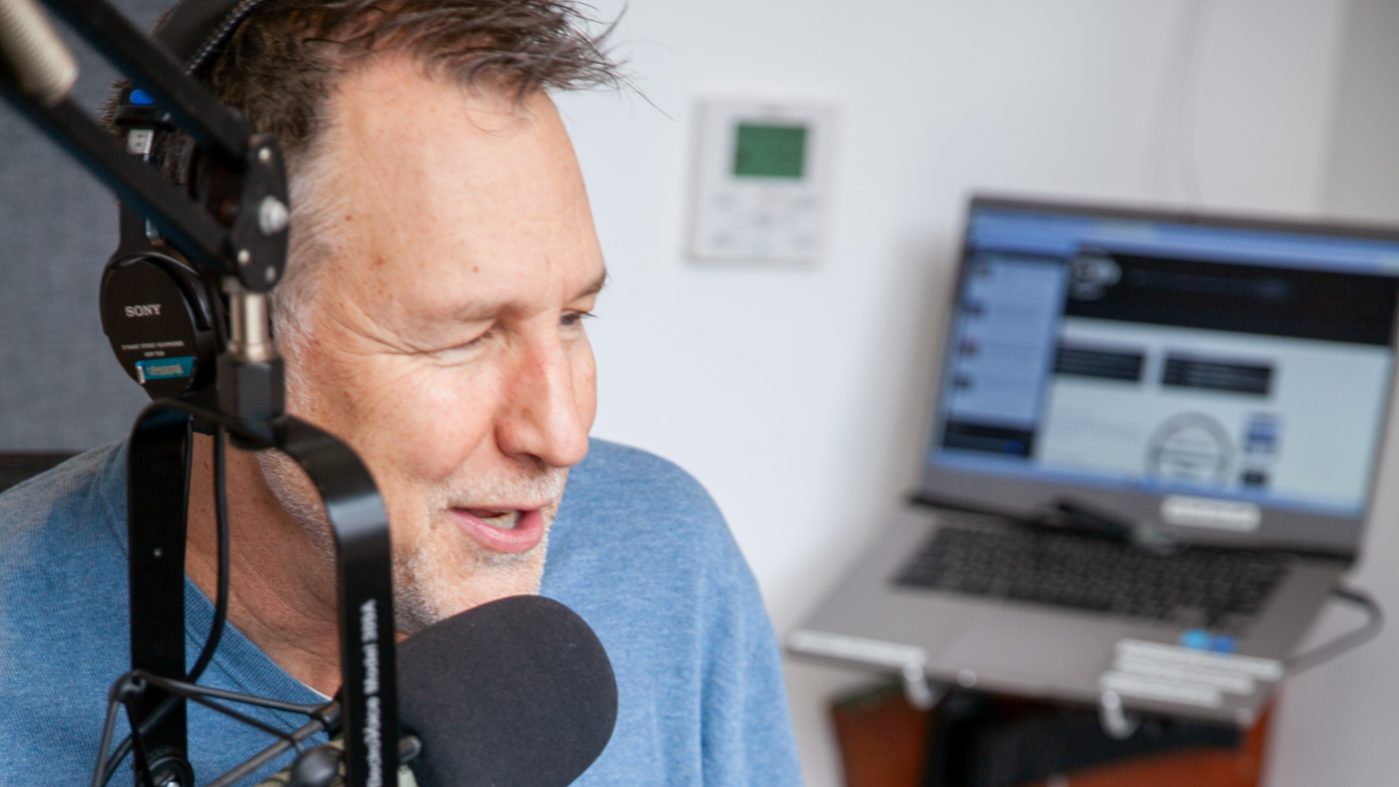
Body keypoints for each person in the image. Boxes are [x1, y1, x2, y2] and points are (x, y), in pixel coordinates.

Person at [0, 1, 801, 783]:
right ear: (203, 336)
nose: (562, 435)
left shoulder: (666, 550)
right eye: (465, 337)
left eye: (571, 318)